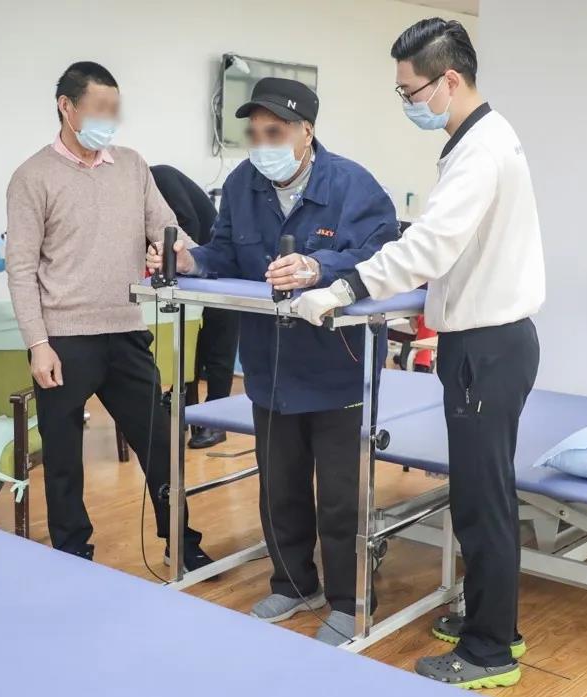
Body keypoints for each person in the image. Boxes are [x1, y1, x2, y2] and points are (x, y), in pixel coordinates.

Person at [294, 18, 545, 688]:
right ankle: (492, 622)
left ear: (449, 80)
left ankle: (490, 651)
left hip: (487, 347)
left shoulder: (480, 150)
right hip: (490, 342)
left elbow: (430, 247)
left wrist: (345, 286)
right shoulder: (482, 138)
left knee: (483, 501)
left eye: (410, 91)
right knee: (482, 492)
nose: (407, 102)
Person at [147, 78, 399, 644]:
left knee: (340, 496)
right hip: (271, 365)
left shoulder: (352, 186)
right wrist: (190, 260)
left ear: (306, 132)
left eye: (275, 132)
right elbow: (225, 251)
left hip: (338, 368)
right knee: (279, 485)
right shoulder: (243, 184)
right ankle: (292, 583)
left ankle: (349, 600)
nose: (262, 144)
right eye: (255, 133)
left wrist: (318, 268)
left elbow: (384, 255)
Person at [6, 62, 211, 569]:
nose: (110, 120)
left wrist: (182, 255)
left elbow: (169, 231)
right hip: (64, 339)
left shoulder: (133, 167)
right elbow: (21, 269)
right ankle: (72, 552)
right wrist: (37, 344)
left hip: (125, 330)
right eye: (100, 109)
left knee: (159, 443)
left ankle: (182, 543)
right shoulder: (33, 176)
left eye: (115, 110)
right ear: (67, 107)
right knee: (62, 459)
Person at [150, 164, 239, 449]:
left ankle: (217, 421)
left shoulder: (159, 176)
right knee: (188, 343)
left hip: (219, 267)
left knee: (218, 346)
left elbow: (187, 223)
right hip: (190, 274)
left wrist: (171, 259)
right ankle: (186, 407)